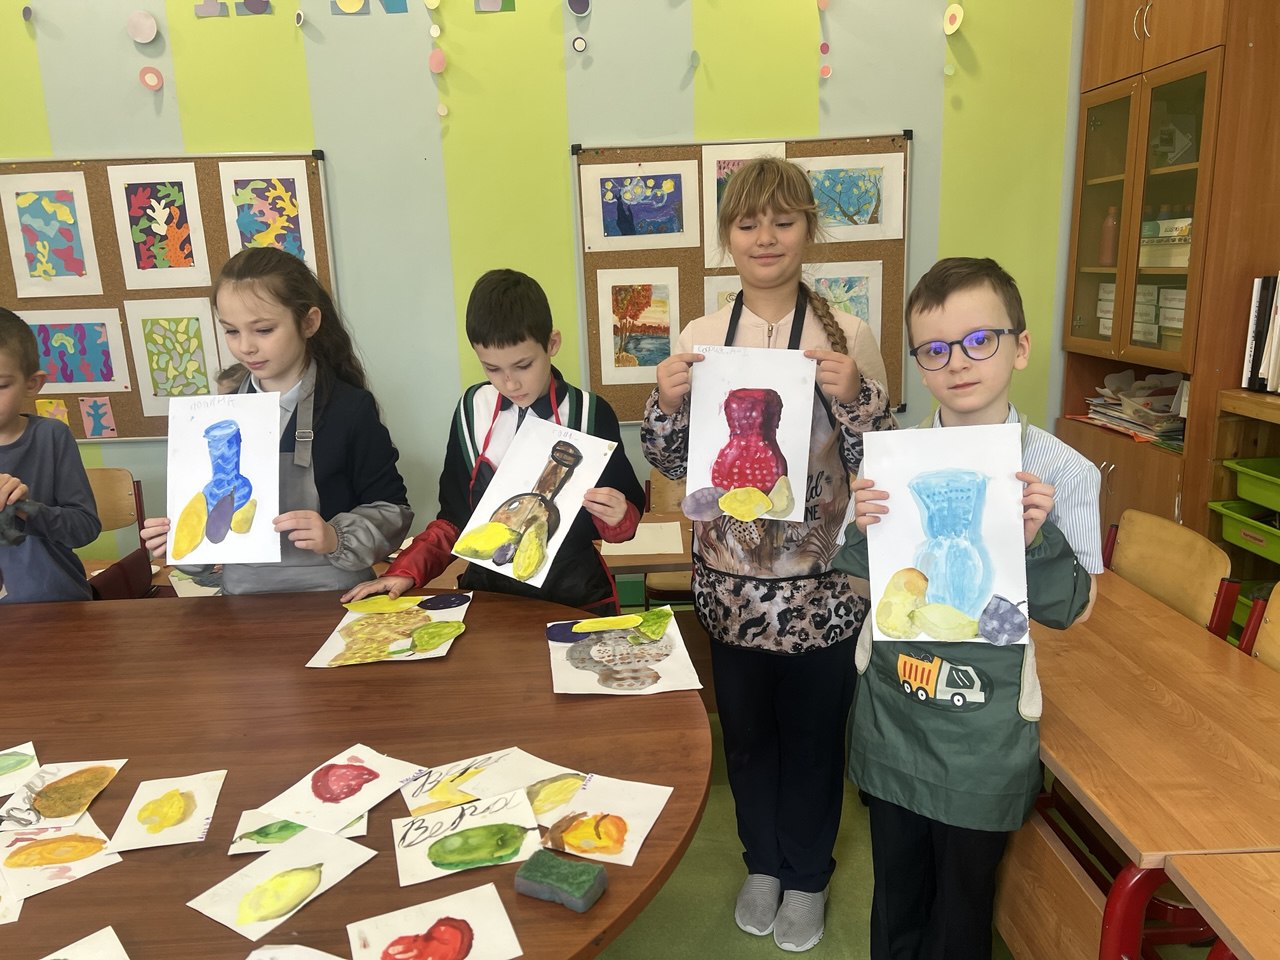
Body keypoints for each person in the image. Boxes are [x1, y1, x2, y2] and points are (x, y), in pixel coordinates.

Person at [643, 156, 894, 952]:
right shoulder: (700, 337)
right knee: (748, 740)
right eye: (749, 223)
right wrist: (665, 402)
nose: (766, 237)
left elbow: (882, 465)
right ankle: (763, 864)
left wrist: (856, 397)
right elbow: (675, 464)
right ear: (728, 237)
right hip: (728, 589)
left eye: (784, 221)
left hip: (822, 590)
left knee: (815, 739)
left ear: (808, 229)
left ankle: (808, 874)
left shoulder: (847, 334)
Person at [833, 257, 1101, 960]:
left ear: (1020, 346)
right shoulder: (891, 464)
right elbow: (863, 593)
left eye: (980, 340)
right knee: (896, 899)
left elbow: (1073, 611)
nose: (958, 362)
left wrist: (1036, 542)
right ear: (920, 366)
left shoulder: (1063, 471)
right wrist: (865, 533)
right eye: (934, 349)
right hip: (896, 719)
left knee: (963, 905)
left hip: (986, 737)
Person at [342, 268, 645, 614]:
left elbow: (623, 523)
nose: (510, 383)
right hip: (490, 598)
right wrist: (406, 570)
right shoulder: (473, 410)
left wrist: (618, 516)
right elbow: (454, 519)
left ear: (552, 344)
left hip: (576, 597)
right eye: (492, 369)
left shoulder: (591, 412)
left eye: (523, 365)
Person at [141, 248, 412, 594]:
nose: (246, 347)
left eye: (264, 330)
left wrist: (335, 536)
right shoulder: (215, 418)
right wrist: (177, 538)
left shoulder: (349, 409)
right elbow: (207, 541)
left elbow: (393, 510)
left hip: (336, 596)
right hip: (243, 601)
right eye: (231, 331)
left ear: (309, 322)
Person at [0, 308, 101, 603]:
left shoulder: (51, 436)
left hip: (56, 602)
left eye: (0, 385)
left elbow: (85, 528)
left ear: (32, 383)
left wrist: (25, 509)